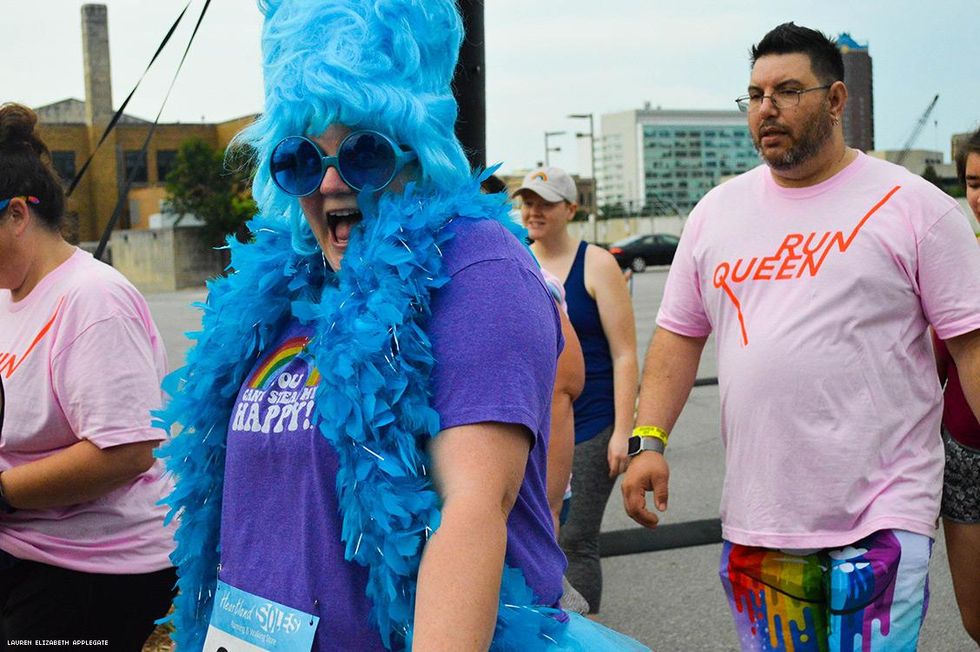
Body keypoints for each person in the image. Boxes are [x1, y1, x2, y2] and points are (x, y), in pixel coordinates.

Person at [156, 2, 646, 650]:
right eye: (302, 160)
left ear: (416, 148)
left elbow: (471, 512)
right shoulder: (275, 292)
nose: (330, 182)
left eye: (362, 153)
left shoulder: (476, 266)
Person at [622, 23, 980, 651]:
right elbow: (679, 338)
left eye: (787, 90)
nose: (766, 108)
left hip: (882, 517)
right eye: (755, 94)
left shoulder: (917, 208)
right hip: (759, 523)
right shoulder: (715, 214)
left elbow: (972, 347)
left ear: (837, 100)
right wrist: (647, 438)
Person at [0, 103, 175, 647]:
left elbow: (126, 451)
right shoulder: (10, 296)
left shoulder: (93, 300)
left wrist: (2, 493)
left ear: (16, 215)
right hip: (25, 544)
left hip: (93, 568)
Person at [514, 166, 638, 614]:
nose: (533, 211)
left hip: (591, 425)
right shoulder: (515, 258)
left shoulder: (598, 263)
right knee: (536, 536)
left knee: (575, 539)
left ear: (570, 209)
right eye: (528, 201)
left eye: (545, 203)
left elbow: (624, 353)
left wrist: (625, 430)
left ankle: (582, 632)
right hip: (535, 428)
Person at [935, 126, 980, 645]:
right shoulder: (955, 256)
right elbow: (932, 369)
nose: (979, 196)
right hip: (964, 460)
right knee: (977, 618)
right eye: (973, 181)